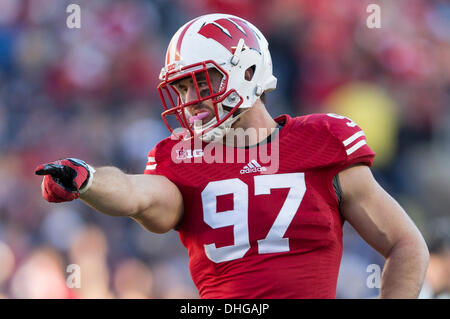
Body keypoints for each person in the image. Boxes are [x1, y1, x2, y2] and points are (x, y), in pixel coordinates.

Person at [35, 13, 429, 299]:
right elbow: (138, 194)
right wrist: (86, 179)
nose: (190, 101)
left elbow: (405, 245)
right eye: (182, 88)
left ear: (248, 70)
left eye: (201, 81)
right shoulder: (181, 156)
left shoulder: (322, 141)